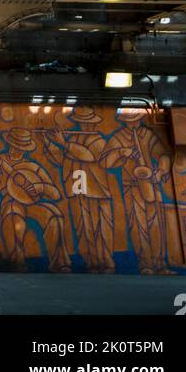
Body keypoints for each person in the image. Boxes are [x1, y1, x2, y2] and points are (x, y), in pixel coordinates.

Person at [0, 128, 71, 271]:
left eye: (18, 147)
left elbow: (56, 194)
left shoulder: (32, 167)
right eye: (12, 146)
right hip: (10, 201)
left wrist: (40, 187)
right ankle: (17, 262)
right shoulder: (0, 161)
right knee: (12, 215)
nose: (14, 150)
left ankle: (60, 263)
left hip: (33, 203)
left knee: (54, 214)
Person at [44, 108, 114, 272]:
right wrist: (49, 144)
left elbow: (88, 156)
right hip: (77, 189)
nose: (84, 126)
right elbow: (62, 161)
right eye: (82, 123)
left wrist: (63, 143)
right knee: (83, 228)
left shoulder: (98, 140)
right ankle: (91, 262)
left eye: (87, 123)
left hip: (96, 192)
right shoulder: (74, 138)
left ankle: (106, 263)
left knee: (101, 229)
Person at [104, 107, 170, 273]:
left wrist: (161, 171)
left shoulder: (147, 135)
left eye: (136, 121)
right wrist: (122, 152)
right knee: (138, 226)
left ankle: (160, 264)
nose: (133, 125)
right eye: (130, 122)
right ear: (124, 122)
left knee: (157, 225)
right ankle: (145, 264)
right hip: (132, 187)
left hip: (152, 184)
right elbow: (105, 162)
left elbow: (163, 155)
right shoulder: (118, 138)